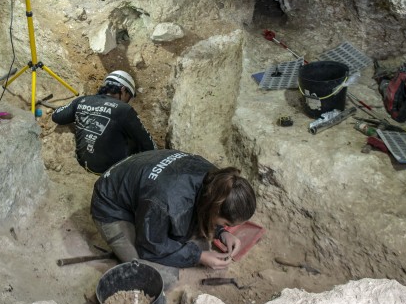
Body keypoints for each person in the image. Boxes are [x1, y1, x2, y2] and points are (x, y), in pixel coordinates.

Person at [91, 149, 257, 276]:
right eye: (227, 224)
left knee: (193, 240)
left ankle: (146, 215)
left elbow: (203, 208)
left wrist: (221, 233)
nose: (227, 227)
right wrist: (198, 257)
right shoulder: (166, 201)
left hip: (144, 188)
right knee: (161, 276)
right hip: (111, 204)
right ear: (215, 208)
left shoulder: (219, 181)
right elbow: (150, 247)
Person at [51, 70, 157, 174]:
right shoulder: (124, 109)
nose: (127, 101)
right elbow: (150, 146)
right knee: (134, 138)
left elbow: (56, 116)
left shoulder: (82, 100)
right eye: (128, 97)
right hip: (111, 170)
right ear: (123, 89)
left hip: (83, 163)